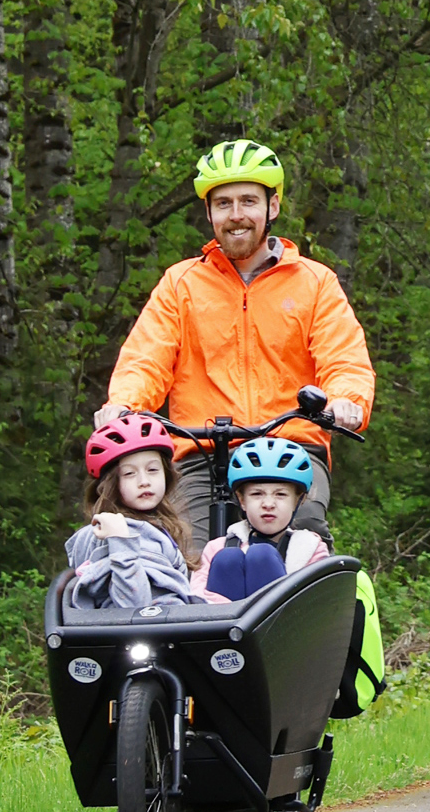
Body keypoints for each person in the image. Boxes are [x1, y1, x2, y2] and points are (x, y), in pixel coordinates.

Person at [96, 139, 376, 546]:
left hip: (288, 445)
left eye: (248, 201)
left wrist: (345, 401)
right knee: (183, 551)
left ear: (272, 207)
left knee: (304, 540)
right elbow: (147, 357)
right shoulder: (181, 284)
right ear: (209, 213)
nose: (236, 215)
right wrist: (123, 405)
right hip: (200, 452)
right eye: (223, 203)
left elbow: (344, 359)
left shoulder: (315, 283)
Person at [65, 415, 197, 609]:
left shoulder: (162, 528)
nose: (144, 481)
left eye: (153, 470)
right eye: (129, 473)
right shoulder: (111, 536)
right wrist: (121, 542)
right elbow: (135, 608)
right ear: (111, 484)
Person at [192, 437, 329, 601]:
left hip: (286, 621)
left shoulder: (311, 548)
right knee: (227, 558)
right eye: (257, 494)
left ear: (298, 500)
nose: (268, 504)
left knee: (262, 556)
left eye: (280, 495)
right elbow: (196, 596)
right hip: (225, 621)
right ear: (242, 500)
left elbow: (320, 601)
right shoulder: (216, 548)